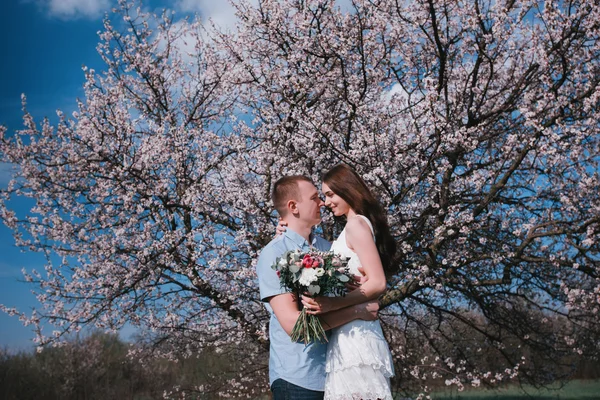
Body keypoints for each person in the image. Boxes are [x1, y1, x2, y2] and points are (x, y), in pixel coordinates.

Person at [256, 175, 380, 400]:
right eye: (314, 198)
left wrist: (362, 287)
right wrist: (356, 311)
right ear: (293, 207)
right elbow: (296, 328)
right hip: (298, 379)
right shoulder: (274, 253)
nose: (322, 203)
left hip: (337, 374)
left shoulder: (328, 249)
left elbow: (368, 282)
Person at [300, 164, 397, 400]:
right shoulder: (352, 228)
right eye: (324, 196)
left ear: (348, 190)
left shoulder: (356, 225)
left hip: (357, 338)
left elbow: (377, 282)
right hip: (346, 336)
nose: (326, 202)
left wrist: (333, 304)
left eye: (331, 194)